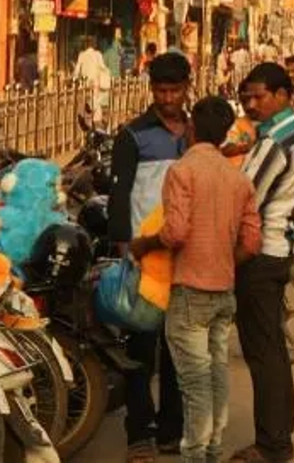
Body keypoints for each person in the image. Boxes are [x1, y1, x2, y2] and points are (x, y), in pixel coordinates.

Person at [130, 96, 261, 463]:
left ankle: (196, 453)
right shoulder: (238, 177)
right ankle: (213, 446)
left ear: (192, 129)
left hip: (190, 289)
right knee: (216, 372)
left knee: (194, 382)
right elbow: (251, 241)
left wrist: (144, 244)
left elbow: (175, 233)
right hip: (224, 287)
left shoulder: (183, 171)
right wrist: (221, 258)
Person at [110, 52, 191, 461]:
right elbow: (119, 198)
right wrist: (125, 252)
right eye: (160, 90)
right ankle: (138, 433)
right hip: (145, 261)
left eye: (174, 90)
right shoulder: (133, 135)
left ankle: (171, 431)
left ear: (186, 89)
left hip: (186, 258)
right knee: (140, 351)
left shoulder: (196, 134)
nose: (167, 97)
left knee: (178, 351)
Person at [232, 62, 294, 463]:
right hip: (279, 247)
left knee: (263, 353)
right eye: (248, 96)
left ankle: (273, 443)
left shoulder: (275, 142)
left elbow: (246, 200)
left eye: (259, 96)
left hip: (261, 253)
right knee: (273, 351)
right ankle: (279, 437)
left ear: (282, 95)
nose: (252, 103)